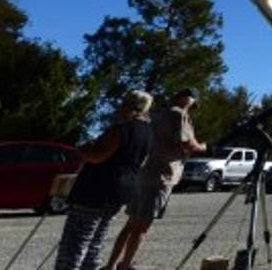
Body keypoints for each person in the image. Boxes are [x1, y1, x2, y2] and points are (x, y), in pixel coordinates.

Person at [104, 89, 205, 270]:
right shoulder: (179, 114)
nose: (192, 107)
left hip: (143, 173)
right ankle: (125, 265)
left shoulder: (156, 115)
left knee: (130, 224)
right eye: (192, 103)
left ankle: (111, 264)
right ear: (188, 99)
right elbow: (187, 143)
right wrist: (203, 147)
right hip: (161, 175)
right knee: (142, 227)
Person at [52, 91, 154, 270]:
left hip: (96, 190)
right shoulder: (148, 133)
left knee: (76, 241)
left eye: (123, 104)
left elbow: (99, 156)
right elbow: (142, 162)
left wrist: (82, 151)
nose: (118, 109)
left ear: (131, 107)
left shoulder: (120, 129)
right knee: (96, 240)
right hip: (121, 191)